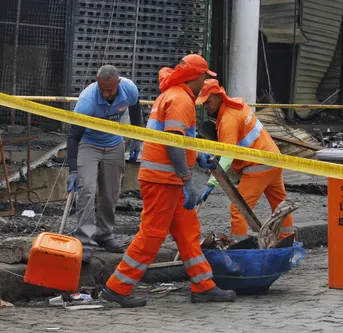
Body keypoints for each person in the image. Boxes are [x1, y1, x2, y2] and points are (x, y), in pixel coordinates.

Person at [101, 55, 237, 308]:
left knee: (187, 233)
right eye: (205, 76)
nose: (205, 81)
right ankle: (116, 288)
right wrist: (187, 180)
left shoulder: (171, 95)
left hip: (164, 177)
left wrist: (197, 157)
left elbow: (179, 141)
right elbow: (173, 143)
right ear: (195, 77)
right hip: (164, 179)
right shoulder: (181, 100)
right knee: (151, 235)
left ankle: (203, 285)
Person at [196, 79, 294, 242]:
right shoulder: (237, 106)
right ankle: (288, 241)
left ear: (219, 96)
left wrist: (211, 183)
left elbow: (228, 155)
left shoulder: (228, 120)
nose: (206, 106)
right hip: (274, 160)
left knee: (238, 209)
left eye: (208, 101)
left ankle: (240, 249)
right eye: (203, 103)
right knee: (280, 206)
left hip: (258, 166)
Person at [67, 65, 143, 264]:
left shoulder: (129, 89)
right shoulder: (86, 101)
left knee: (111, 192)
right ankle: (84, 240)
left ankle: (104, 233)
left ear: (118, 83)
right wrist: (73, 170)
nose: (107, 94)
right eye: (103, 90)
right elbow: (73, 137)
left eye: (111, 90)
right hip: (87, 144)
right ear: (97, 84)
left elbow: (136, 109)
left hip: (114, 143)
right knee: (87, 190)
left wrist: (137, 138)